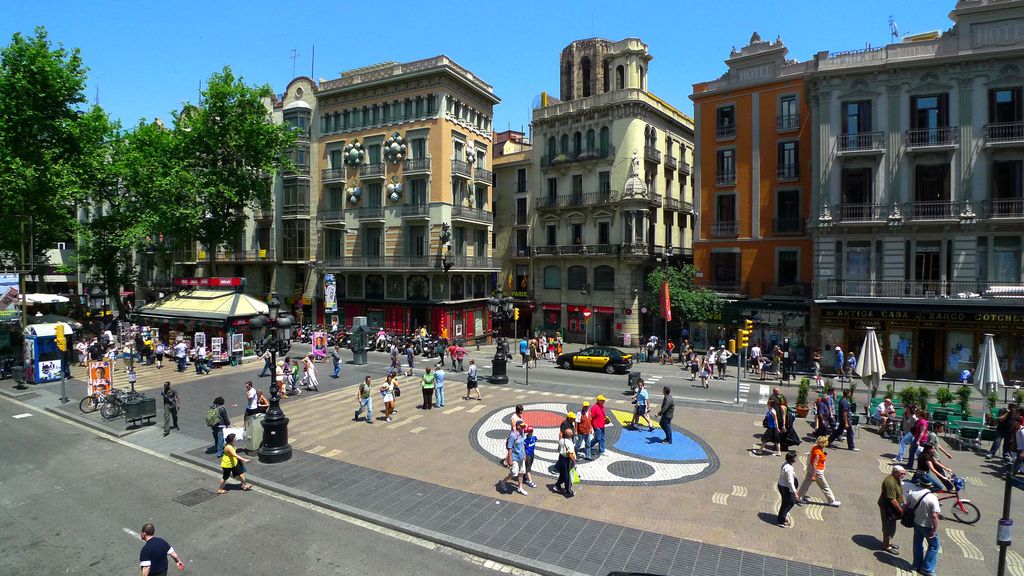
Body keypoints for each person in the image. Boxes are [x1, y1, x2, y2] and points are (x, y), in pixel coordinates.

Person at [905, 483, 941, 576]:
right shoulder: (932, 498)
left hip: (916, 523)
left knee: (917, 544)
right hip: (927, 526)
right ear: (930, 486)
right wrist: (934, 529)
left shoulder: (912, 493)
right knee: (934, 546)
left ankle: (916, 565)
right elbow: (934, 516)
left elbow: (906, 505)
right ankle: (927, 568)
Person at [797, 436, 841, 507]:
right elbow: (815, 464)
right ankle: (831, 500)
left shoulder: (815, 447)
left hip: (810, 468)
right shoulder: (818, 452)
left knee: (806, 483)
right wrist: (814, 475)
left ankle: (799, 497)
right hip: (817, 471)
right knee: (824, 486)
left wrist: (824, 454)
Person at [877, 465, 907, 555]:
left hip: (891, 508)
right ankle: (886, 545)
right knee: (888, 527)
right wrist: (901, 510)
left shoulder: (896, 479)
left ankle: (887, 542)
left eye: (904, 474)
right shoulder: (890, 482)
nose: (903, 475)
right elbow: (892, 500)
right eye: (902, 474)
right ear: (895, 472)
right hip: (888, 508)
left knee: (891, 526)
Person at [503, 420, 528, 495]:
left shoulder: (522, 433)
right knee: (514, 473)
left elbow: (523, 444)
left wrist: (524, 454)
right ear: (518, 426)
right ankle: (503, 482)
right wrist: (509, 459)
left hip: (521, 456)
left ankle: (520, 487)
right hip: (514, 457)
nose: (524, 428)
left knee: (521, 472)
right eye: (522, 426)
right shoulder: (513, 435)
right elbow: (509, 447)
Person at [776, 451, 798, 527]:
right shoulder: (789, 469)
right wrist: (795, 492)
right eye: (795, 457)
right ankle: (781, 520)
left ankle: (782, 516)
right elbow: (790, 482)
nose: (796, 458)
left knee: (786, 503)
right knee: (790, 502)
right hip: (785, 488)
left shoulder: (785, 464)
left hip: (783, 486)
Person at [554, 427, 576, 497]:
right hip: (566, 460)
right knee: (567, 476)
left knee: (563, 474)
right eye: (571, 433)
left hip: (561, 458)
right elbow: (570, 454)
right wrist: (574, 462)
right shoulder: (569, 443)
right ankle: (568, 491)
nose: (572, 434)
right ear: (569, 435)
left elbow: (558, 449)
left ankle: (557, 485)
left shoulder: (561, 440)